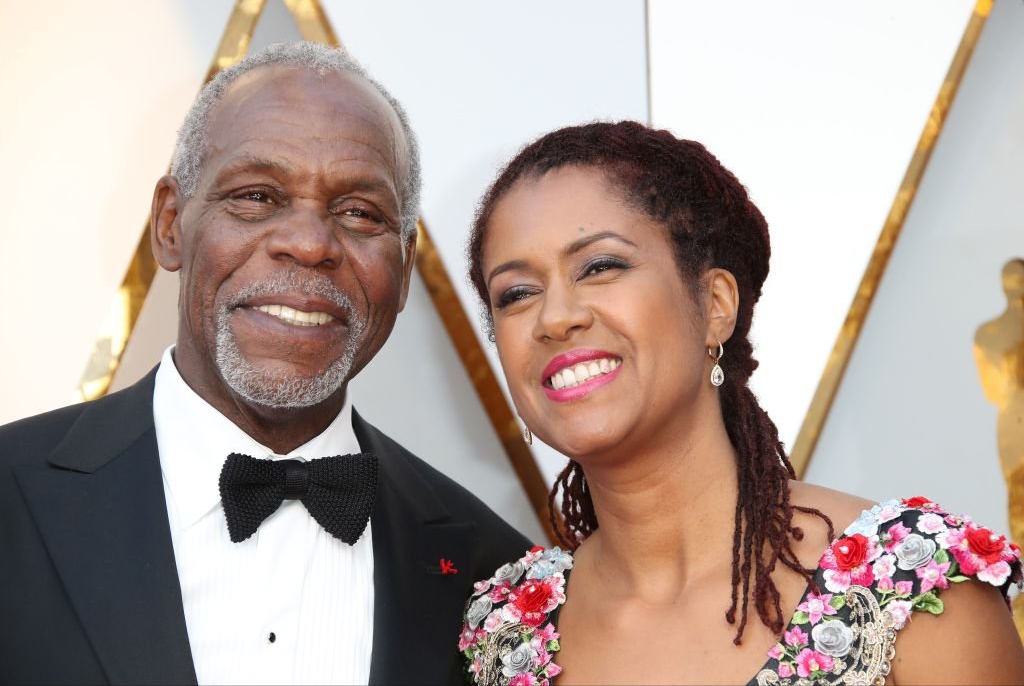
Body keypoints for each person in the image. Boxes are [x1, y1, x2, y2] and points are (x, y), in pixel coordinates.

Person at [0, 42, 529, 685]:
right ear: (170, 224)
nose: (309, 245)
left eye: (359, 212)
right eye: (257, 196)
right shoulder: (12, 495)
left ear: (405, 265)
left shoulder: (494, 573)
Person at [459, 121, 1024, 685]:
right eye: (517, 293)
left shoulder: (912, 586)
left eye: (601, 266)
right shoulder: (504, 635)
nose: (556, 317)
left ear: (715, 305)